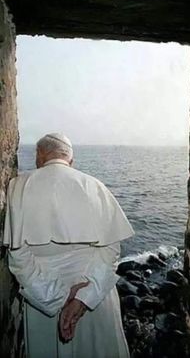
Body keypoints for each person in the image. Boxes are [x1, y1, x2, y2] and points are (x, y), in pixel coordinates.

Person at [3, 133, 135, 358]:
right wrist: (83, 299)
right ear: (70, 160)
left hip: (44, 302)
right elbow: (111, 252)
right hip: (94, 297)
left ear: (39, 156)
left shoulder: (18, 187)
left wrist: (59, 296)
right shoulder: (96, 186)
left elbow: (19, 259)